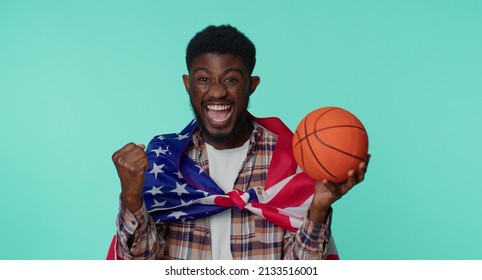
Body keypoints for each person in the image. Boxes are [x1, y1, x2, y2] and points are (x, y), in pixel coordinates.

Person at [110, 24, 368, 260]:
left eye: (231, 79)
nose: (217, 91)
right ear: (188, 85)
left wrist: (318, 209)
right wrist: (132, 197)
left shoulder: (292, 158)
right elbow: (142, 263)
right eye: (203, 79)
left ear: (252, 85)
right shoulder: (164, 161)